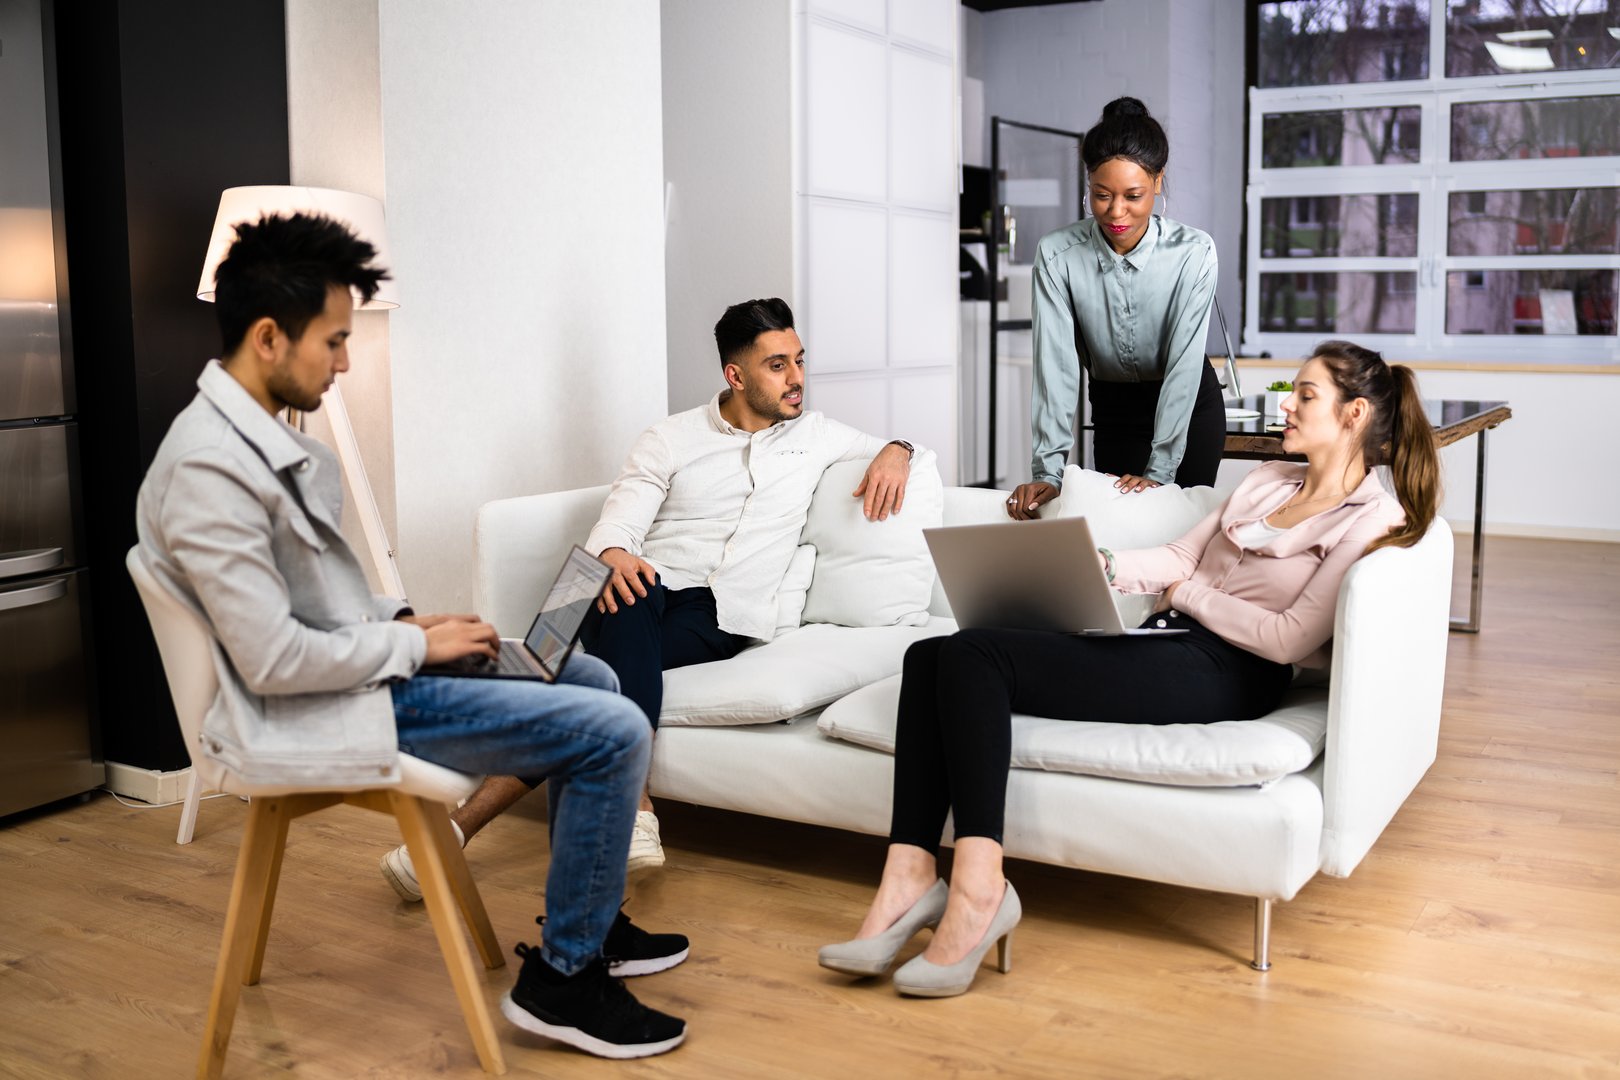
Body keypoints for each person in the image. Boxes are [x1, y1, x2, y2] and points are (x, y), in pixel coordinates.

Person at [136, 212, 688, 1059]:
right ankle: (564, 985)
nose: (347, 360)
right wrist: (415, 650)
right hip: (308, 712)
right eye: (335, 340)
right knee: (614, 730)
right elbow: (274, 662)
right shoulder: (211, 471)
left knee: (593, 682)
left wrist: (411, 623)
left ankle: (592, 925)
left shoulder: (258, 444)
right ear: (269, 336)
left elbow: (315, 604)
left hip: (358, 677)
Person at [823, 340, 1439, 997]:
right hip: (1166, 639)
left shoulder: (1372, 517)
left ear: (1354, 415)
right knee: (929, 654)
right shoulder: (1267, 482)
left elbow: (1288, 639)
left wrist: (1194, 597)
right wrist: (1100, 566)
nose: (1285, 405)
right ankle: (908, 879)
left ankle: (979, 891)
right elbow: (1180, 556)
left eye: (1305, 396)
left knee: (974, 652)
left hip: (1231, 672)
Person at [379, 297, 921, 884]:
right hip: (632, 586)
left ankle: (455, 826)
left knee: (577, 681)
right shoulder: (669, 438)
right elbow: (623, 514)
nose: (796, 379)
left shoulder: (817, 435)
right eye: (777, 366)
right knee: (602, 578)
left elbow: (896, 444)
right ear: (735, 376)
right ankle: (632, 804)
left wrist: (899, 449)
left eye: (798, 360)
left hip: (718, 610)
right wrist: (613, 552)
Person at [1007, 96, 1224, 521]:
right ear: (1089, 184)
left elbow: (1183, 364)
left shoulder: (1194, 252)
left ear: (1158, 182)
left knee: (1181, 535)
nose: (1116, 211)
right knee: (1117, 533)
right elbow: (1056, 368)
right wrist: (1047, 472)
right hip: (1113, 410)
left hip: (1187, 405)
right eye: (1102, 195)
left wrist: (1161, 471)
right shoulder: (1057, 255)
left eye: (1133, 195)